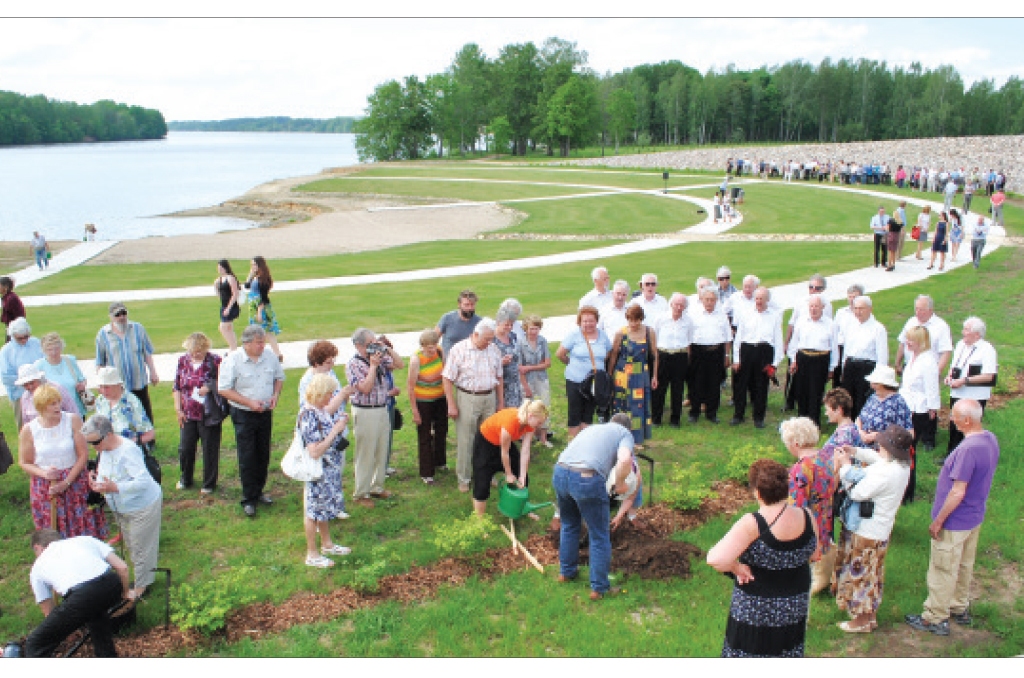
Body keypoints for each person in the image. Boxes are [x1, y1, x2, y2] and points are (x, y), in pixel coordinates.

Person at [905, 399, 1000, 636]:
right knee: (964, 564)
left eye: (954, 416)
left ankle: (935, 617)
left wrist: (939, 521)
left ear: (966, 420)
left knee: (943, 568)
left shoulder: (967, 449)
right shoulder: (989, 438)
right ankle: (959, 606)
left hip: (955, 520)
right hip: (974, 516)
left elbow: (958, 491)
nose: (950, 420)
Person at [707, 458, 816, 656]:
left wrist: (736, 568)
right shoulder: (807, 515)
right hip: (794, 604)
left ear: (757, 493)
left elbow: (716, 559)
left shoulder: (754, 523)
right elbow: (815, 554)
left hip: (758, 610)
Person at [832, 425, 913, 633]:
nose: (879, 446)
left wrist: (845, 467)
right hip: (880, 530)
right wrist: (855, 451)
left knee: (861, 576)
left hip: (867, 531)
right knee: (873, 575)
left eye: (882, 444)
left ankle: (860, 621)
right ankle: (870, 616)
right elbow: (877, 459)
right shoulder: (900, 466)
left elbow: (857, 493)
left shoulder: (887, 474)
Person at [553, 413, 636, 601]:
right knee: (599, 534)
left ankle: (566, 573)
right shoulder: (624, 434)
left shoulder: (592, 429)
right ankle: (599, 588)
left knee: (569, 524)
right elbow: (624, 460)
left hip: (560, 471)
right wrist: (621, 482)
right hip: (586, 477)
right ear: (627, 428)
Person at [84, 414, 162, 599]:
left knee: (141, 546)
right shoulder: (103, 448)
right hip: (122, 506)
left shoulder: (128, 450)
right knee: (131, 544)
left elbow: (143, 482)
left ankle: (142, 587)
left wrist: (115, 487)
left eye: (96, 442)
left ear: (109, 434)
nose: (94, 447)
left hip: (142, 505)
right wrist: (96, 480)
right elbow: (107, 471)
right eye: (90, 443)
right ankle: (142, 578)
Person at [18, 385, 107, 538]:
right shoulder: (29, 429)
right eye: (52, 404)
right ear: (41, 406)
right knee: (53, 531)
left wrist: (66, 482)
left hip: (74, 481)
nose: (57, 406)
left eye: (58, 402)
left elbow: (83, 454)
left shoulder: (72, 420)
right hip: (46, 486)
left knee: (80, 527)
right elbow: (24, 462)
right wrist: (45, 473)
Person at [24, 529, 129, 658]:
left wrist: (65, 630)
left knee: (35, 643)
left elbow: (48, 611)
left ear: (37, 547)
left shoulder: (37, 567)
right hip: (111, 584)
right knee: (96, 617)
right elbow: (122, 567)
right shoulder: (85, 540)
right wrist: (125, 592)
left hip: (82, 597)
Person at [218, 325, 285, 517]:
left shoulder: (270, 356)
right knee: (247, 455)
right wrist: (249, 402)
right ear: (246, 343)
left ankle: (259, 491)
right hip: (243, 413)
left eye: (263, 341)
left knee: (263, 452)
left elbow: (279, 377)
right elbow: (223, 388)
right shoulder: (233, 360)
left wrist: (275, 395)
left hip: (264, 412)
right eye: (258, 342)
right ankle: (249, 498)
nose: (262, 345)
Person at [297, 373, 353, 568]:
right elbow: (315, 451)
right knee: (313, 511)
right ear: (320, 393)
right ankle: (312, 553)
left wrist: (339, 422)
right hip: (317, 472)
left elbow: (329, 416)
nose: (331, 398)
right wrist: (335, 431)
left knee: (324, 508)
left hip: (328, 471)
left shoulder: (319, 410)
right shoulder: (308, 415)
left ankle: (327, 545)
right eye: (329, 394)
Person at [442, 318, 503, 493]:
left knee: (490, 438)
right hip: (468, 397)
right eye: (486, 339)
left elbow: (499, 377)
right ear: (475, 335)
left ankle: (486, 474)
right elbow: (447, 378)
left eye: (491, 339)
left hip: (489, 396)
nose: (489, 343)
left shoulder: (494, 350)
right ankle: (464, 478)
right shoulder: (459, 350)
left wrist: (501, 401)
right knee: (466, 439)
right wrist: (451, 404)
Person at [346, 328, 403, 508]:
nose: (373, 347)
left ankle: (377, 487)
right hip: (365, 410)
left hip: (382, 409)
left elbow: (400, 364)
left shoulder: (379, 356)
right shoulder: (354, 364)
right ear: (359, 346)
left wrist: (386, 348)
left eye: (374, 342)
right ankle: (361, 493)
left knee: (381, 450)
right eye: (369, 344)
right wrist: (372, 366)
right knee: (366, 453)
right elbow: (365, 388)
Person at [780, 417, 837, 595]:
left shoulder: (801, 469)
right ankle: (822, 581)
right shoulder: (825, 457)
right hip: (825, 513)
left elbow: (797, 505)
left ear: (795, 443)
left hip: (808, 522)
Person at [471, 400, 548, 516]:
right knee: (482, 483)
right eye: (539, 422)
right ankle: (479, 520)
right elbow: (504, 452)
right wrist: (508, 473)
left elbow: (525, 450)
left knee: (524, 478)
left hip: (503, 444)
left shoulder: (530, 424)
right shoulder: (511, 421)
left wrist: (521, 475)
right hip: (485, 443)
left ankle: (521, 508)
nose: (540, 426)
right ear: (531, 416)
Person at [172, 332, 224, 494]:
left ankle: (209, 483)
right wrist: (178, 409)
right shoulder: (182, 361)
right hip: (188, 413)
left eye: (200, 350)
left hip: (208, 413)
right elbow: (177, 387)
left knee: (210, 448)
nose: (196, 354)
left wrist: (210, 386)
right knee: (186, 448)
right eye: (193, 351)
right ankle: (185, 478)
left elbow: (225, 381)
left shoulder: (215, 360)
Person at [94, 302, 159, 427]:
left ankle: (148, 439)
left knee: (143, 408)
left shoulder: (138, 329)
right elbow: (100, 362)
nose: (122, 317)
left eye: (124, 313)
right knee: (120, 410)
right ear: (111, 317)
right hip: (117, 382)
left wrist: (153, 372)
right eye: (118, 314)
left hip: (138, 379)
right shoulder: (103, 334)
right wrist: (101, 383)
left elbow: (147, 352)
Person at [555, 306, 611, 439]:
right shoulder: (574, 335)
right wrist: (573, 364)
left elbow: (608, 352)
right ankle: (573, 443)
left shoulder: (602, 335)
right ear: (579, 322)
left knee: (588, 412)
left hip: (594, 382)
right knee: (574, 412)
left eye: (591, 321)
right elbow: (560, 354)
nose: (588, 324)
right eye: (585, 321)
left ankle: (586, 441)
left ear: (596, 321)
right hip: (576, 380)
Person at [730, 286, 782, 429]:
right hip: (747, 350)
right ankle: (738, 415)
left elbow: (777, 340)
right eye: (757, 298)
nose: (758, 301)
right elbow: (739, 338)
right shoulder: (746, 313)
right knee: (741, 385)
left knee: (761, 386)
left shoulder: (774, 316)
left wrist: (775, 363)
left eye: (761, 299)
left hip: (764, 351)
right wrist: (736, 359)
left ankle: (759, 417)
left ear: (767, 300)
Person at [945, 317, 997, 455]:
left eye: (966, 330)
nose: (963, 332)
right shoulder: (961, 345)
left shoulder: (987, 349)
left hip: (975, 396)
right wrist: (949, 376)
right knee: (955, 424)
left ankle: (969, 454)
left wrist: (964, 381)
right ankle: (952, 454)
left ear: (977, 334)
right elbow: (954, 365)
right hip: (957, 393)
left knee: (970, 426)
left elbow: (988, 375)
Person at [898, 326, 939, 504]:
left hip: (918, 410)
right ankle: (901, 488)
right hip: (906, 407)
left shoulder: (928, 361)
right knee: (901, 450)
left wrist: (932, 409)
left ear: (921, 342)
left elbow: (931, 388)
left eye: (911, 340)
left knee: (909, 450)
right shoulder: (912, 358)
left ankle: (908, 492)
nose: (908, 343)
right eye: (907, 339)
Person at [608, 305, 658, 446]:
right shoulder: (621, 333)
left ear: (641, 319)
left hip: (639, 374)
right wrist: (610, 374)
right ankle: (619, 437)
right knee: (621, 405)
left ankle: (637, 440)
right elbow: (614, 355)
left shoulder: (649, 332)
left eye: (636, 320)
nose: (633, 324)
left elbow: (655, 354)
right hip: (622, 374)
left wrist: (654, 376)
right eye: (630, 320)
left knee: (638, 406)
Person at [786, 294, 837, 428]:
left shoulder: (830, 324)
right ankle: (802, 421)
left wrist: (832, 367)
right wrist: (793, 360)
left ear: (823, 308)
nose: (813, 309)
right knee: (801, 390)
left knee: (816, 392)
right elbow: (794, 343)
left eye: (816, 306)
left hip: (820, 358)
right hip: (803, 357)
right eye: (811, 306)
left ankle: (814, 422)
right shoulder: (801, 321)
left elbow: (834, 347)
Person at [408, 329, 448, 484]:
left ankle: (440, 461)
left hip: (440, 398)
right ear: (422, 346)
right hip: (423, 400)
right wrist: (415, 411)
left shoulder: (439, 352)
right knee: (425, 435)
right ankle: (426, 472)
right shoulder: (416, 360)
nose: (432, 350)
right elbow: (410, 387)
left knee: (441, 430)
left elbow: (445, 374)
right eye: (429, 347)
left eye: (434, 346)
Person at [839, 296, 888, 419]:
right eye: (855, 308)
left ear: (870, 309)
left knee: (862, 399)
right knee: (847, 398)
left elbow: (882, 356)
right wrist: (843, 367)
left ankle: (861, 427)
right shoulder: (850, 325)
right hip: (851, 364)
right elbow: (847, 349)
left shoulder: (878, 328)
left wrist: (879, 377)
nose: (858, 312)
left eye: (861, 308)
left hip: (866, 367)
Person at [689, 287, 732, 424]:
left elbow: (727, 337)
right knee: (696, 382)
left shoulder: (721, 315)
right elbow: (688, 336)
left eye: (712, 300)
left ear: (716, 300)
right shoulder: (694, 314)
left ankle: (711, 413)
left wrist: (726, 355)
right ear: (702, 299)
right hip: (698, 351)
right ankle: (694, 412)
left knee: (714, 383)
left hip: (716, 351)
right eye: (707, 299)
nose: (709, 302)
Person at [652, 293, 691, 428]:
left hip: (680, 356)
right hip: (663, 355)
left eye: (682, 305)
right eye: (677, 304)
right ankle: (656, 419)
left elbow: (689, 340)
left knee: (677, 389)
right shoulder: (661, 319)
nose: (679, 308)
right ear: (671, 304)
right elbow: (654, 338)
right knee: (659, 389)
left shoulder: (688, 321)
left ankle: (675, 419)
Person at [94, 367, 154, 448]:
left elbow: (149, 434)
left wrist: (125, 444)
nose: (103, 391)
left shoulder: (131, 402)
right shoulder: (100, 400)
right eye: (101, 387)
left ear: (118, 385)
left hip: (129, 450)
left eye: (107, 387)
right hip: (107, 450)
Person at [1, 317, 44, 431]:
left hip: (41, 391)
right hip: (19, 395)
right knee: (25, 427)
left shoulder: (36, 343)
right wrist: (27, 382)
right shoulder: (6, 351)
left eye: (26, 336)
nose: (24, 340)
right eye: (20, 338)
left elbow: (44, 363)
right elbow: (6, 378)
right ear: (13, 336)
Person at [856, 365, 912, 450]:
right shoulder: (873, 397)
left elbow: (908, 433)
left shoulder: (897, 402)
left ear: (884, 384)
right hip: (863, 446)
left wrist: (878, 436)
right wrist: (860, 432)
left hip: (884, 450)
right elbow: (860, 418)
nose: (871, 385)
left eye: (875, 383)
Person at [34, 332, 89, 417]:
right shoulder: (39, 365)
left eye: (56, 349)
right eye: (49, 350)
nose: (53, 352)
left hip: (76, 408)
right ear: (44, 350)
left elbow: (82, 379)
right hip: (53, 411)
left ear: (61, 347)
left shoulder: (70, 360)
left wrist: (82, 385)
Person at [518, 315, 552, 446]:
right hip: (526, 380)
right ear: (526, 328)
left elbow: (547, 363)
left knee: (544, 405)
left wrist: (529, 367)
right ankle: (526, 436)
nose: (534, 332)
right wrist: (525, 386)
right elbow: (520, 369)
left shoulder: (542, 341)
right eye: (531, 328)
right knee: (527, 407)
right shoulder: (520, 343)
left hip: (541, 379)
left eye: (537, 329)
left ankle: (543, 437)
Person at [244, 257, 283, 361]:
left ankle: (276, 354)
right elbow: (247, 285)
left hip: (260, 306)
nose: (252, 267)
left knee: (265, 332)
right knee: (262, 332)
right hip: (254, 306)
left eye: (254, 265)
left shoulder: (263, 279)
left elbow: (264, 297)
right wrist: (251, 273)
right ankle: (275, 353)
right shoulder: (256, 276)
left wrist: (259, 311)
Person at [831, 283, 864, 390]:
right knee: (837, 376)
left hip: (854, 348)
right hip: (840, 346)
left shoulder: (862, 314)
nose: (852, 299)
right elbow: (835, 331)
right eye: (850, 296)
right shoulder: (841, 312)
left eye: (855, 297)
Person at [436, 289, 481, 357]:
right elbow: (434, 338)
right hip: (448, 362)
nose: (470, 308)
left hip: (469, 363)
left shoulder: (479, 322)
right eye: (466, 305)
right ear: (459, 305)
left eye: (472, 305)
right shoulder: (447, 318)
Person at [493, 307, 523, 408]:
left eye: (511, 324)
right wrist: (500, 362)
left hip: (514, 385)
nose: (509, 327)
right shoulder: (491, 339)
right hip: (500, 386)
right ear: (498, 322)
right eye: (506, 324)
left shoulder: (513, 336)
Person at [214, 259, 242, 352]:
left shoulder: (230, 278)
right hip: (224, 306)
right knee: (229, 328)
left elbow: (235, 294)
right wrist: (216, 286)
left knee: (223, 327)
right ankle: (233, 348)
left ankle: (232, 348)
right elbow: (219, 295)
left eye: (221, 268)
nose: (220, 269)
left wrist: (229, 308)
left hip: (231, 306)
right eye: (218, 268)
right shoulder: (219, 280)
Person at [1, 275, 25, 343]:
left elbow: (18, 314)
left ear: (5, 287)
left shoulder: (11, 298)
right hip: (11, 327)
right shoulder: (6, 297)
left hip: (16, 328)